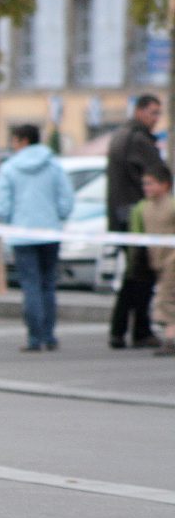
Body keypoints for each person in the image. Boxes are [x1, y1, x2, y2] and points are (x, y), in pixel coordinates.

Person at [0, 124, 75, 352]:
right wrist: (57, 218)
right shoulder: (54, 165)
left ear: (23, 141)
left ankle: (34, 338)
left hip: (22, 235)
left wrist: (11, 222)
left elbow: (1, 204)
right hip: (50, 233)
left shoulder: (9, 168)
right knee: (48, 285)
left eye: (14, 140)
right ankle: (49, 335)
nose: (12, 145)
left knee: (31, 286)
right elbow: (66, 198)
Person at [106, 94, 163, 349]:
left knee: (133, 275)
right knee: (140, 276)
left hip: (123, 217)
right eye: (153, 112)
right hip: (137, 218)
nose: (156, 119)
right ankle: (138, 330)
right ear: (139, 112)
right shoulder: (138, 140)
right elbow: (159, 175)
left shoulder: (121, 136)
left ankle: (121, 331)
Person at [127, 164, 175, 356]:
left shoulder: (171, 206)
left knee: (165, 298)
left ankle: (171, 338)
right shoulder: (143, 208)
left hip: (172, 259)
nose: (146, 188)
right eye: (144, 184)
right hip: (158, 260)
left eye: (151, 184)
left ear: (165, 185)